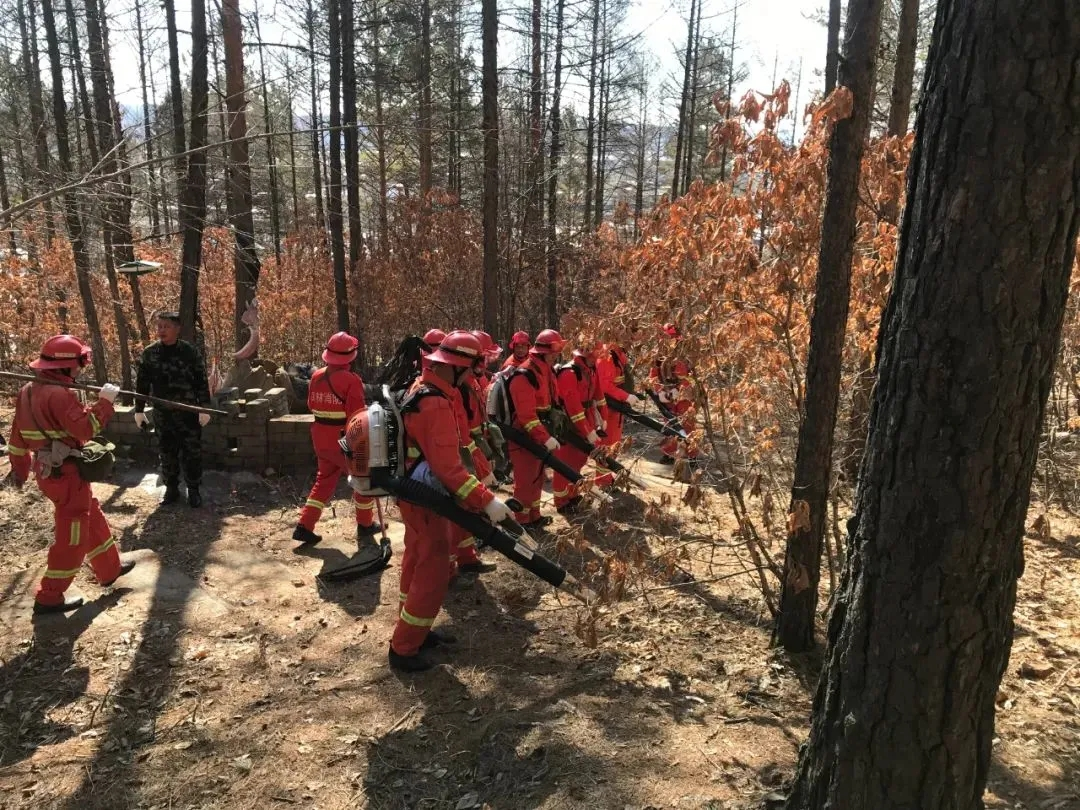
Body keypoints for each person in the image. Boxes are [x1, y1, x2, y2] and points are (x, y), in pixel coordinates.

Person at [391, 330, 511, 671]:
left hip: (414, 493)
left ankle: (412, 628)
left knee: (414, 560)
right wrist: (487, 501)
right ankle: (404, 649)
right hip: (427, 497)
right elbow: (450, 470)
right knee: (433, 570)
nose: (474, 376)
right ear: (458, 367)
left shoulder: (421, 388)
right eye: (472, 368)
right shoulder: (437, 404)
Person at [8, 335, 135, 613]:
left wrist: (19, 470)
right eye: (78, 364)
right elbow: (86, 429)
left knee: (91, 514)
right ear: (66, 366)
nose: (80, 370)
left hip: (51, 473)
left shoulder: (28, 391)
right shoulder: (58, 395)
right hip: (65, 476)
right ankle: (49, 596)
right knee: (73, 535)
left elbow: (17, 437)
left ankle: (109, 568)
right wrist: (105, 403)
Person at [293, 331, 380, 546]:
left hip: (320, 438)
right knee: (363, 478)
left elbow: (312, 405)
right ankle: (365, 524)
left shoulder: (316, 376)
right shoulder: (351, 381)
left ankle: (304, 525)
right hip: (344, 440)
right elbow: (357, 417)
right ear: (350, 357)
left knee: (324, 480)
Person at [134, 312, 213, 507]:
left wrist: (205, 408)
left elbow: (201, 381)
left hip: (188, 413)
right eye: (159, 326)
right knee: (167, 453)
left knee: (191, 453)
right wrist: (139, 410)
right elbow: (142, 383)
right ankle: (171, 489)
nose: (161, 330)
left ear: (177, 329)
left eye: (166, 326)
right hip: (163, 413)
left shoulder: (189, 352)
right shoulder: (150, 353)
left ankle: (194, 490)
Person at [506, 329, 566, 527]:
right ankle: (521, 521)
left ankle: (534, 516)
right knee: (525, 481)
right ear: (543, 352)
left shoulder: (545, 370)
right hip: (523, 437)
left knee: (537, 478)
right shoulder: (524, 375)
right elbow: (526, 417)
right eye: (553, 352)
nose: (556, 356)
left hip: (539, 433)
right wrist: (544, 437)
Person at [551, 348, 604, 513]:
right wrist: (587, 430)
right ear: (585, 355)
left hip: (584, 419)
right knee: (565, 462)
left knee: (578, 460)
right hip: (567, 424)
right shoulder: (569, 374)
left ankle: (572, 494)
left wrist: (604, 419)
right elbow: (573, 409)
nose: (596, 359)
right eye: (594, 356)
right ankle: (561, 501)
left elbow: (599, 396)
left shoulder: (591, 370)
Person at [650, 323, 698, 464]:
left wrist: (680, 390)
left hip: (684, 396)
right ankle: (670, 453)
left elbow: (691, 378)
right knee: (669, 424)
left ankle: (691, 455)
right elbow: (652, 376)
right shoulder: (658, 355)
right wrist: (659, 391)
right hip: (667, 396)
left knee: (687, 425)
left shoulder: (684, 355)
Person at [596, 342, 642, 454]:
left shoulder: (619, 355)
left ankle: (607, 471)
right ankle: (603, 472)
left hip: (617, 410)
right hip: (608, 411)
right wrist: (626, 396)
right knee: (606, 449)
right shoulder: (607, 356)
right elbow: (604, 385)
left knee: (613, 447)